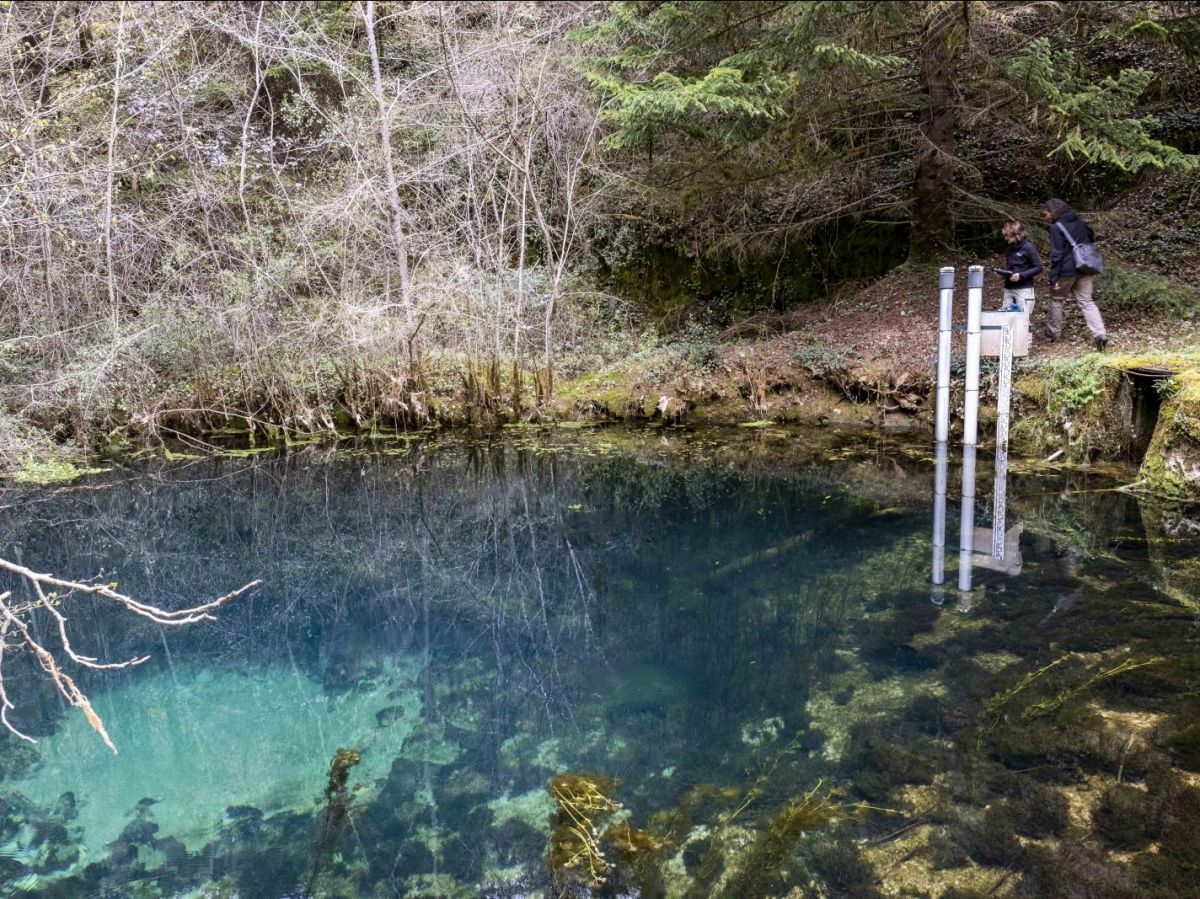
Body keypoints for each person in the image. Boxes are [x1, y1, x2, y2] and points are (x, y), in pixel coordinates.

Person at [1042, 198, 1109, 350]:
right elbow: (1091, 236)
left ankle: (1054, 334)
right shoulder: (1079, 221)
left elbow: (1056, 255)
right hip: (1085, 268)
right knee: (1086, 301)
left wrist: (1053, 278)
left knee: (1057, 300)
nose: (1045, 216)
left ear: (1053, 211)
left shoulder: (1056, 228)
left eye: (1045, 213)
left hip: (1066, 270)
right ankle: (1100, 334)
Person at [999, 220, 1041, 315]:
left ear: (1017, 235)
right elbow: (1013, 267)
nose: (1006, 238)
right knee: (1006, 319)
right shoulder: (1010, 249)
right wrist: (1005, 274)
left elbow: (1038, 267)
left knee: (1023, 320)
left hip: (1024, 289)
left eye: (1008, 236)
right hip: (1009, 289)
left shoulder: (1029, 248)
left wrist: (1021, 275)